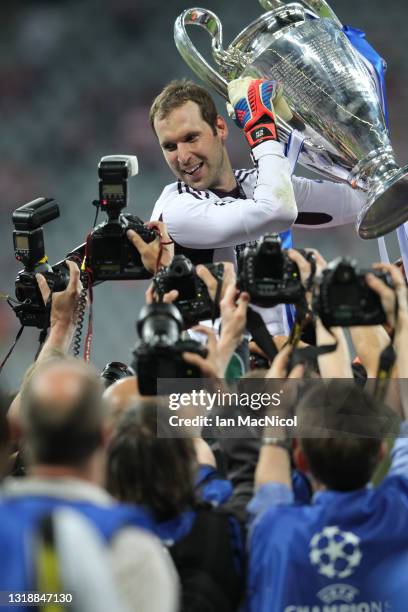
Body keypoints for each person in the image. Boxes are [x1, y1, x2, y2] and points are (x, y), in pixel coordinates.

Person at [246, 261, 408, 611]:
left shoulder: (278, 532)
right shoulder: (400, 511)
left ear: (300, 458)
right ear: (382, 451)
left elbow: (269, 482)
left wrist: (276, 410)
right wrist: (403, 319)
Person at [149, 78, 366, 335]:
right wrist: (259, 125)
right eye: (170, 146)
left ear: (220, 128)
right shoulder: (176, 210)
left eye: (191, 138)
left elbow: (362, 201)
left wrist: (296, 128)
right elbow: (276, 211)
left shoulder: (255, 185)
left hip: (277, 363)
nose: (183, 157)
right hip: (215, 371)